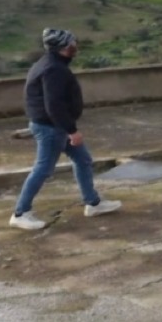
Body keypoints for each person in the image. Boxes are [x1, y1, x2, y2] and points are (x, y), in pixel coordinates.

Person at [10, 28, 121, 231]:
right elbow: (54, 105)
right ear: (64, 47)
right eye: (72, 43)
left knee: (83, 160)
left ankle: (93, 203)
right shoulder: (54, 69)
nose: (76, 46)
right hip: (52, 128)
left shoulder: (48, 64)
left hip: (53, 126)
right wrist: (72, 130)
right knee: (43, 169)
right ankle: (20, 213)